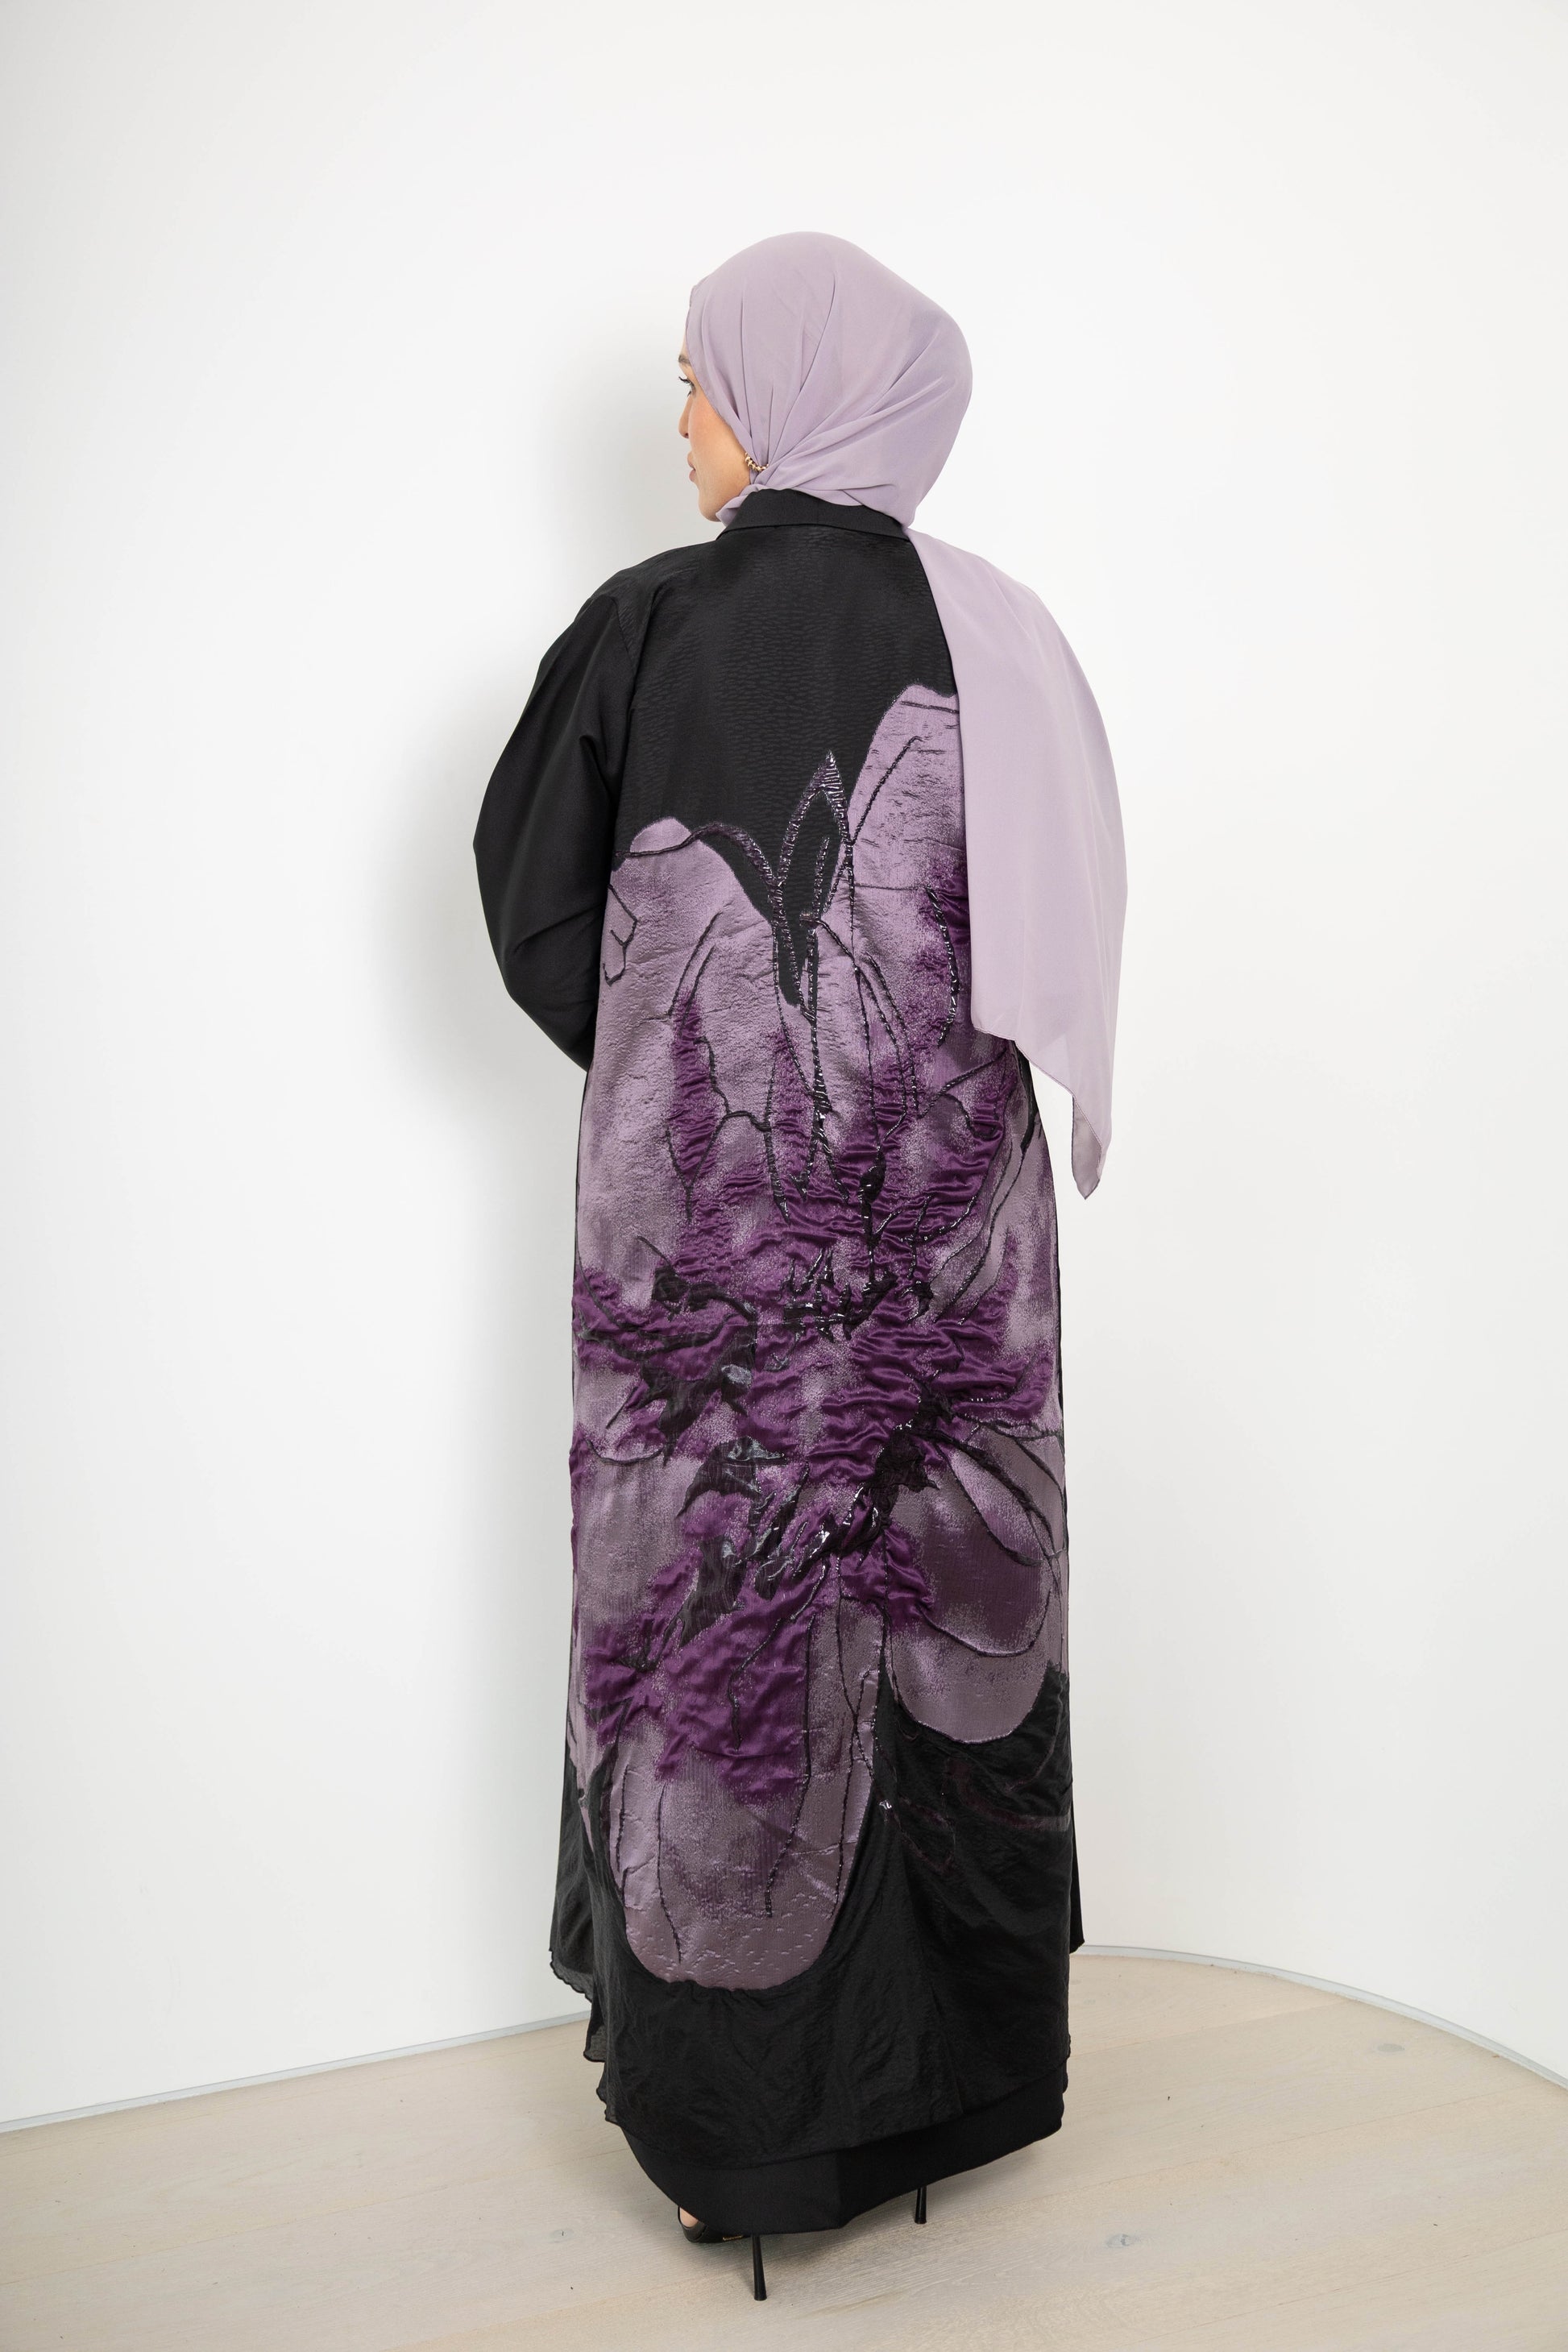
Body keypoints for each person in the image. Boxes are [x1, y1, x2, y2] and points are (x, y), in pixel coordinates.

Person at [473, 233, 1126, 2292]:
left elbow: (537, 908)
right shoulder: (999, 635)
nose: (678, 414)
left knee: (719, 1653)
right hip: (956, 1268)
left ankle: (739, 2145)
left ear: (771, 397)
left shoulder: (648, 625)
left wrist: (680, 1077)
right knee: (953, 1602)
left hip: (711, 1265)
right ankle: (964, 2091)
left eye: (695, 377)